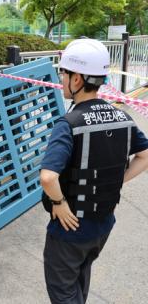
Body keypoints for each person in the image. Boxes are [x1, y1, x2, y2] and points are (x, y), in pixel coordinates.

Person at [40, 39, 148, 304]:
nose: (62, 78)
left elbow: (48, 177)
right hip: (103, 226)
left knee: (63, 291)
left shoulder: (68, 124)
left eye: (64, 73)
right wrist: (115, 181)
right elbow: (144, 156)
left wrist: (59, 202)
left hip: (69, 230)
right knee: (80, 277)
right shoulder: (122, 117)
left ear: (77, 79)